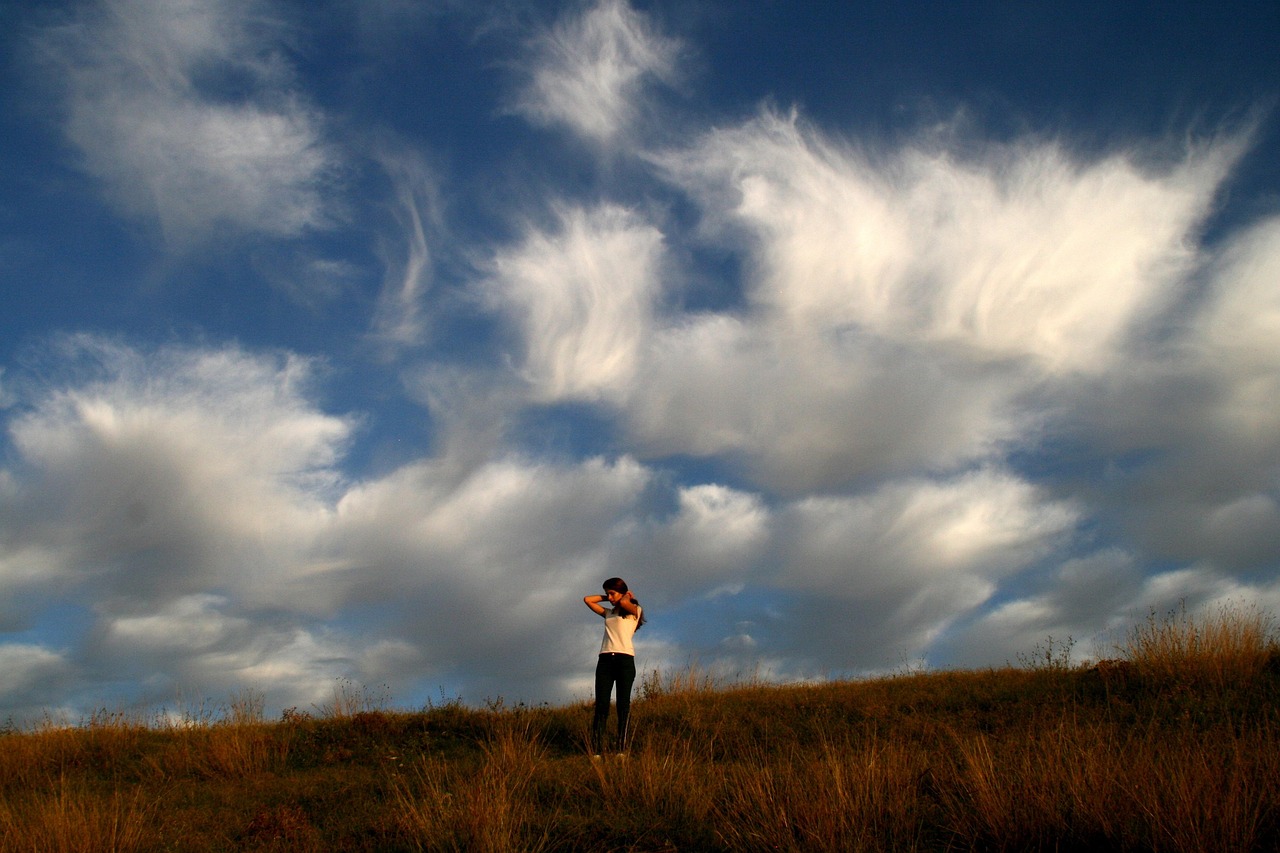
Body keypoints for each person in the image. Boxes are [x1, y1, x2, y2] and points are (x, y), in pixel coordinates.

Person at [583, 577, 645, 757]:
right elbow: (587, 599)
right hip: (605, 660)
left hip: (624, 660)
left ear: (623, 593)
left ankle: (622, 750)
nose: (609, 597)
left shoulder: (635, 611)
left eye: (612, 593)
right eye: (608, 593)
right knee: (601, 705)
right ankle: (596, 751)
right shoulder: (608, 613)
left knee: (622, 705)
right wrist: (608, 596)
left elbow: (626, 603)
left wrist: (623, 596)